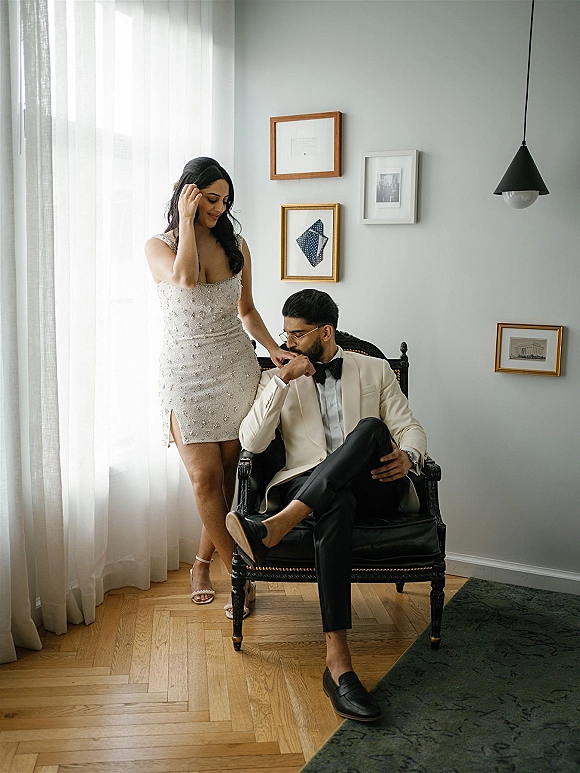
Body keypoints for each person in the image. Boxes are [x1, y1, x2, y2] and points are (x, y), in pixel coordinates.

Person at [226, 289, 427, 721]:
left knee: (373, 427)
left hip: (377, 485)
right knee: (336, 502)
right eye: (285, 334)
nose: (287, 343)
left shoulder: (375, 369)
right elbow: (251, 442)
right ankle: (339, 664)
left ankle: (278, 525)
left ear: (326, 332)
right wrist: (281, 381)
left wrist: (408, 456)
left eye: (296, 335)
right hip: (314, 491)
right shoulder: (275, 377)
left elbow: (408, 426)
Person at [145, 157, 295, 617]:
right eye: (211, 199)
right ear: (187, 193)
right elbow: (185, 280)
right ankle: (240, 575)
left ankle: (201, 561)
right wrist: (188, 222)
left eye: (225, 201)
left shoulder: (238, 247)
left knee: (230, 479)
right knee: (204, 479)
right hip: (185, 375)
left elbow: (246, 310)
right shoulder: (158, 246)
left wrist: (274, 349)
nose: (220, 208)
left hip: (234, 366)